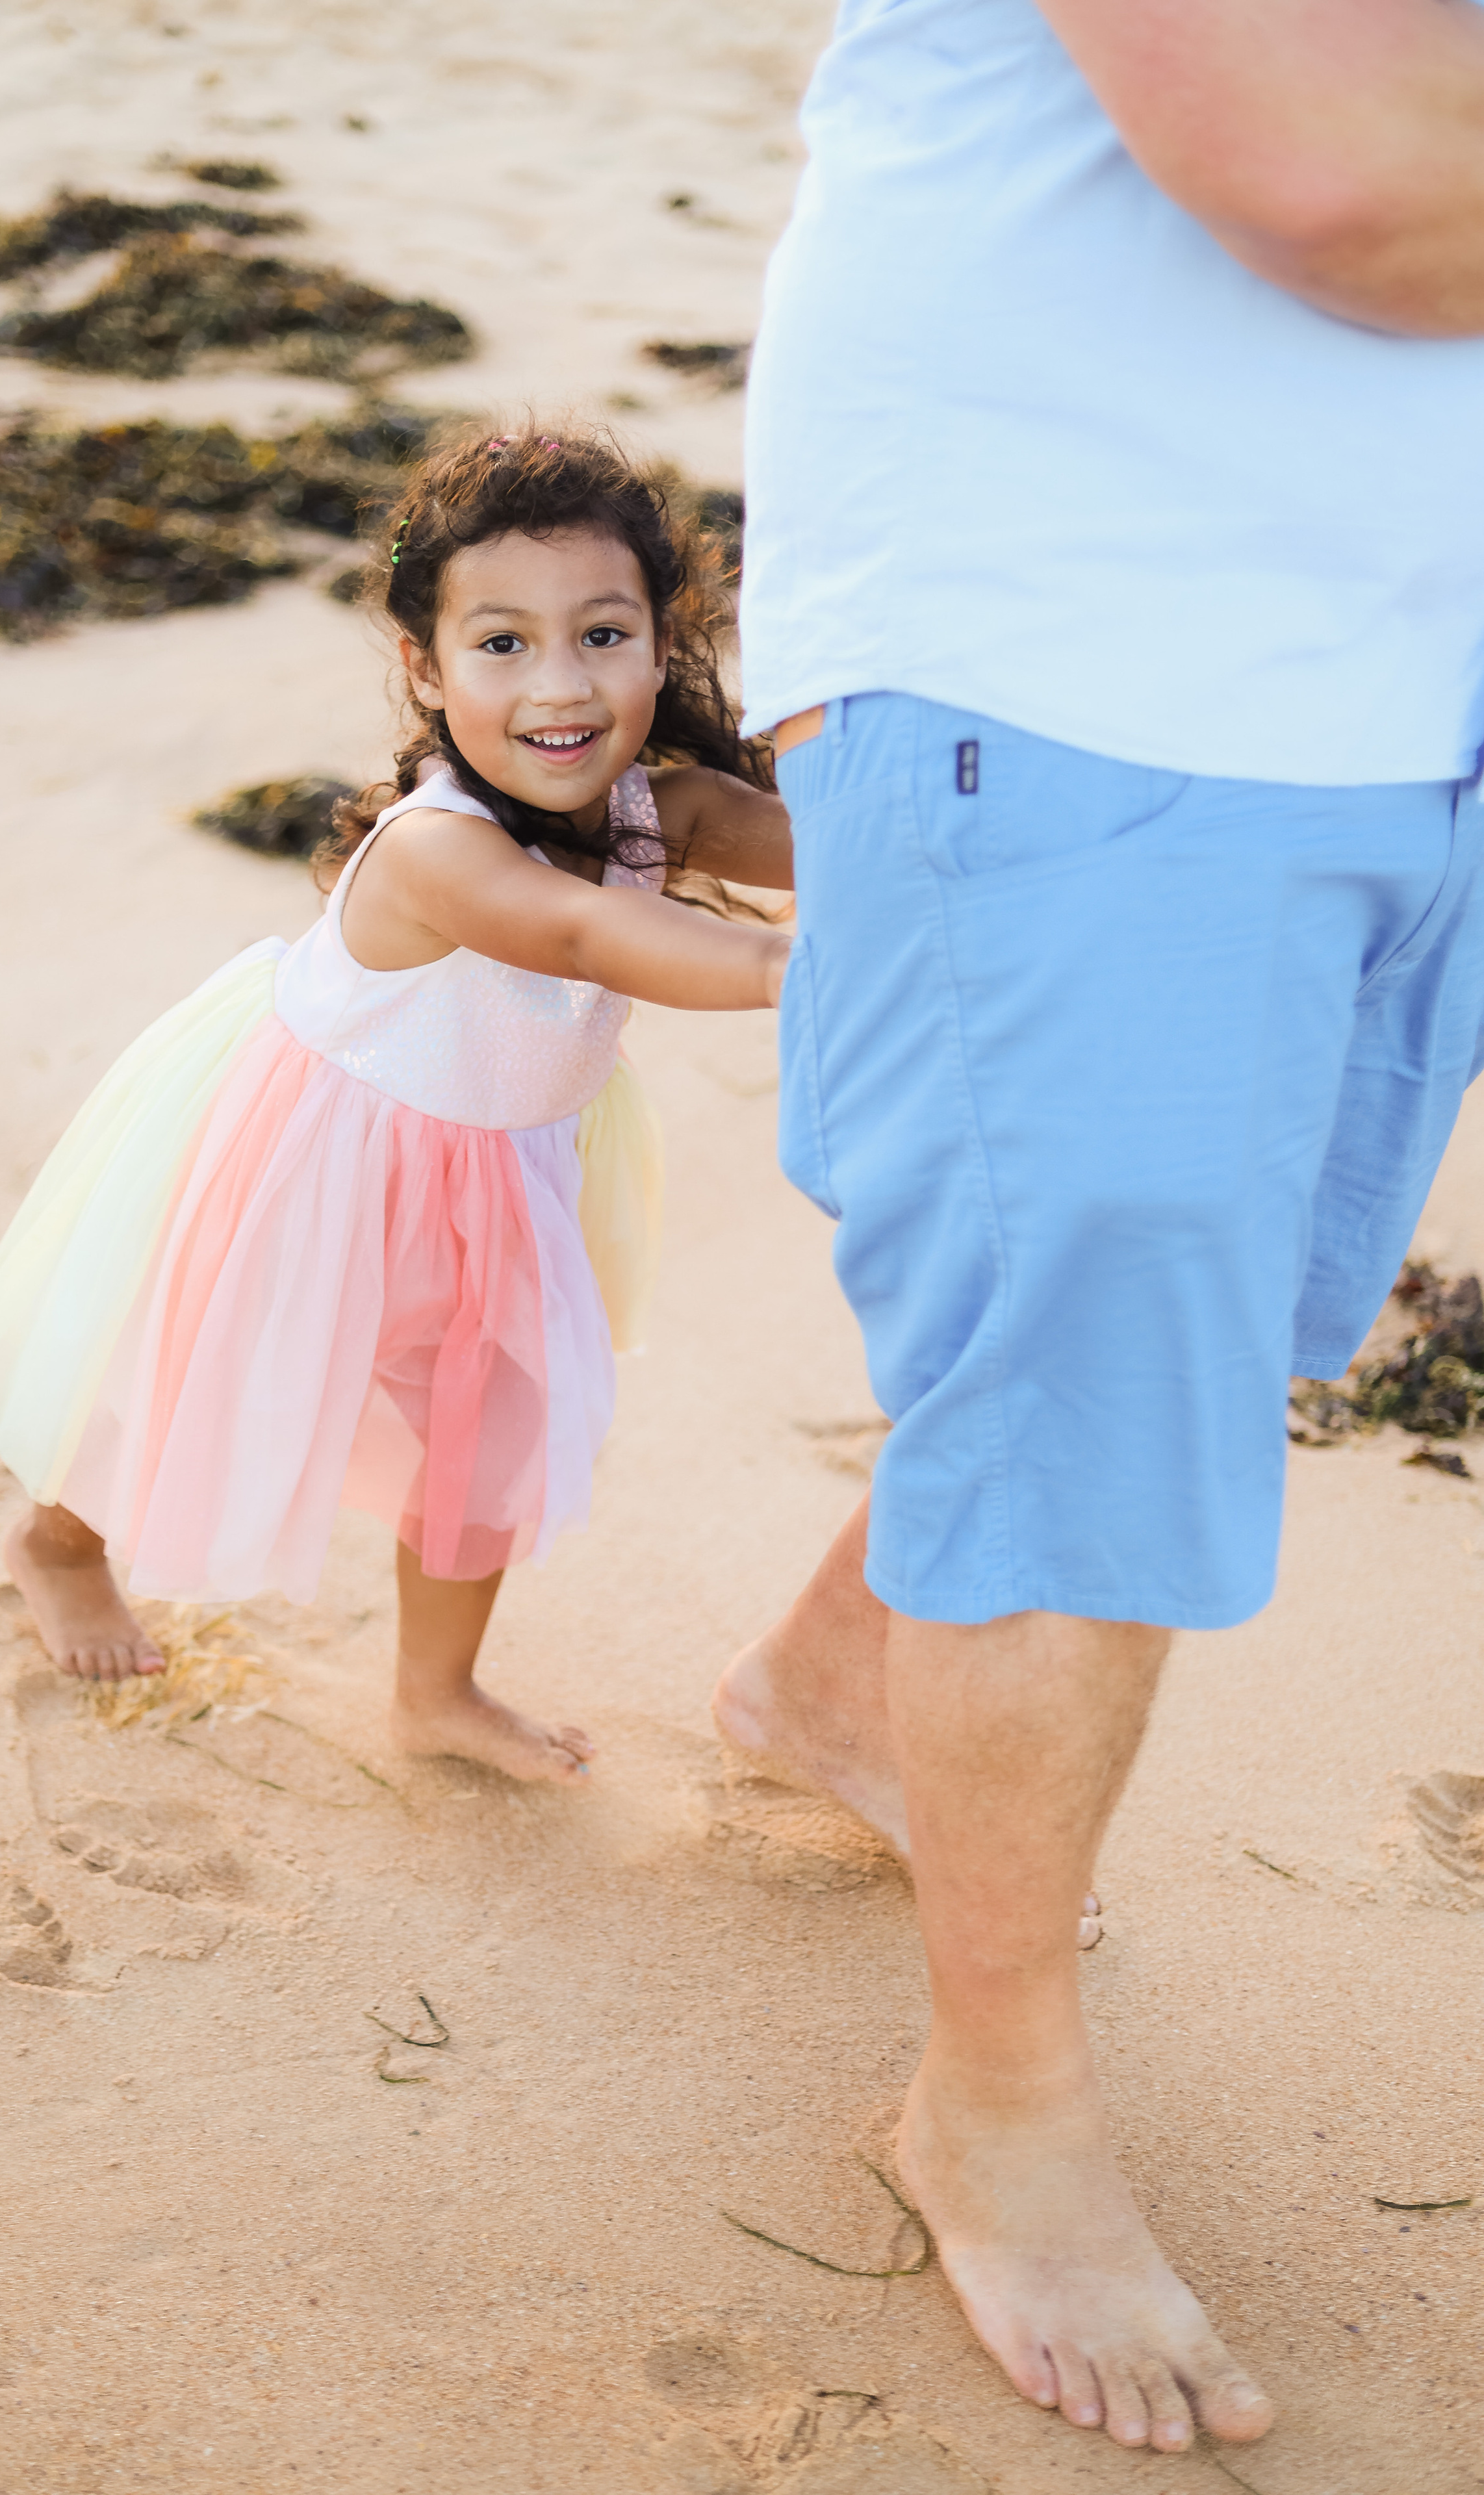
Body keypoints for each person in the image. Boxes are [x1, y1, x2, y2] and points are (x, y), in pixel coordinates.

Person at [720, 0, 1484, 2458]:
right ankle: (998, 2109)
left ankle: (837, 1687)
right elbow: (1339, 171)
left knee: (1189, 1312)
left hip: (1382, 670)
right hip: (1076, 642)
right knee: (1094, 1385)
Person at [0, 428, 791, 1785]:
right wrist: (801, 974)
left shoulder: (660, 805)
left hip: (503, 1183)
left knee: (485, 1439)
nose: (557, 685)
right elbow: (577, 938)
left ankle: (434, 1689)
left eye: (603, 634)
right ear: (425, 666)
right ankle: (56, 1543)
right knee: (182, 1381)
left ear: (658, 642)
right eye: (501, 644)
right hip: (315, 1162)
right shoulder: (438, 849)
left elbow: (846, 836)